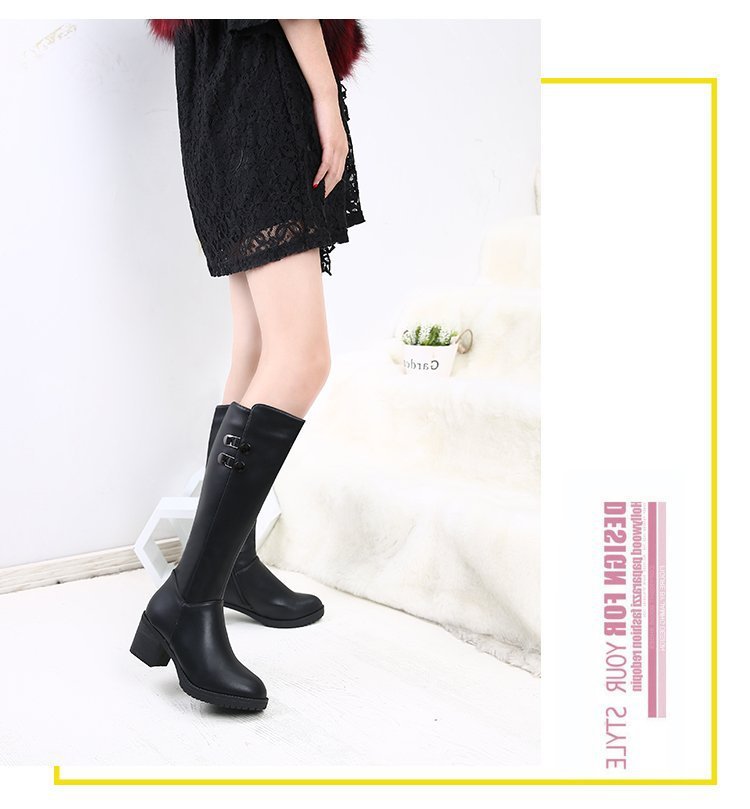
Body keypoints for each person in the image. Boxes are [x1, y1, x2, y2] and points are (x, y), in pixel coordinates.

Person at [130, 19, 368, 711]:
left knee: (260, 346)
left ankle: (229, 562)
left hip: (221, 81)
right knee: (302, 357)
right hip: (259, 85)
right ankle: (189, 598)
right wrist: (322, 95)